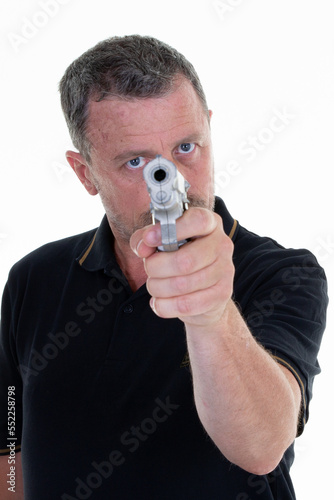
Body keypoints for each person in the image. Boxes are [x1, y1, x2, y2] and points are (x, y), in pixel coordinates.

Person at [0, 35, 328, 500]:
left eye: (186, 147)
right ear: (85, 173)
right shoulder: (33, 278)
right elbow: (8, 442)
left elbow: (262, 447)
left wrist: (211, 313)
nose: (170, 179)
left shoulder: (281, 275)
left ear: (209, 131)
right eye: (136, 161)